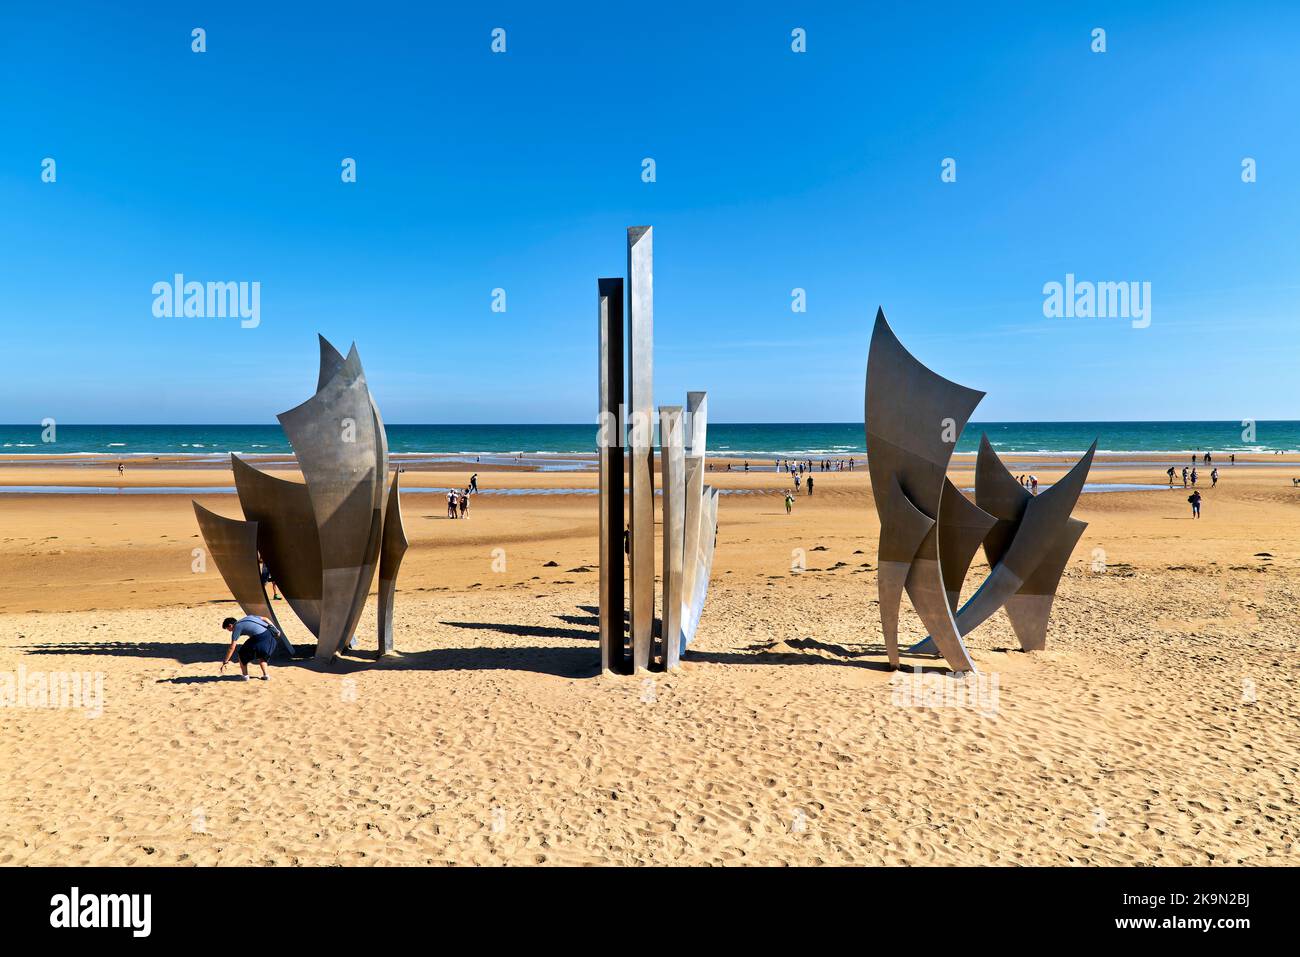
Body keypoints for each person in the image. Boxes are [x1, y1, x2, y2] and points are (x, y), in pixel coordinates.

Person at [220, 615, 281, 680]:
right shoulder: (249, 617)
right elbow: (265, 619)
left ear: (230, 625)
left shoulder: (237, 627)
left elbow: (232, 647)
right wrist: (276, 629)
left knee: (241, 654)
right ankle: (266, 675)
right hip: (270, 637)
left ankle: (245, 676)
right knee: (262, 655)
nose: (229, 631)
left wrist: (225, 661)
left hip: (260, 638)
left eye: (227, 628)